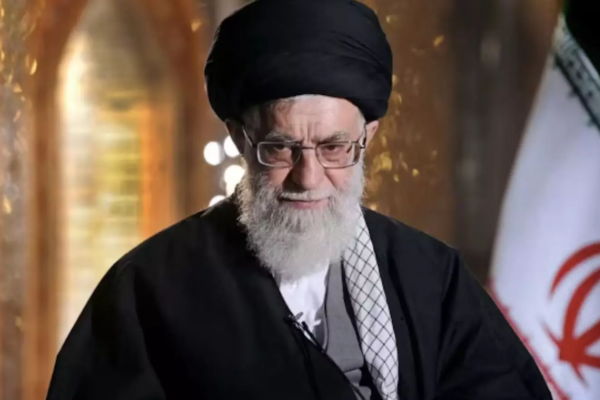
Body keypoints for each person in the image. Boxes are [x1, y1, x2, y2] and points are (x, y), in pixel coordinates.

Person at [46, 0, 552, 399]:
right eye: (280, 148)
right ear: (241, 139)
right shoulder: (148, 291)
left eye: (334, 148)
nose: (308, 178)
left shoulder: (429, 276)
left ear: (368, 138)